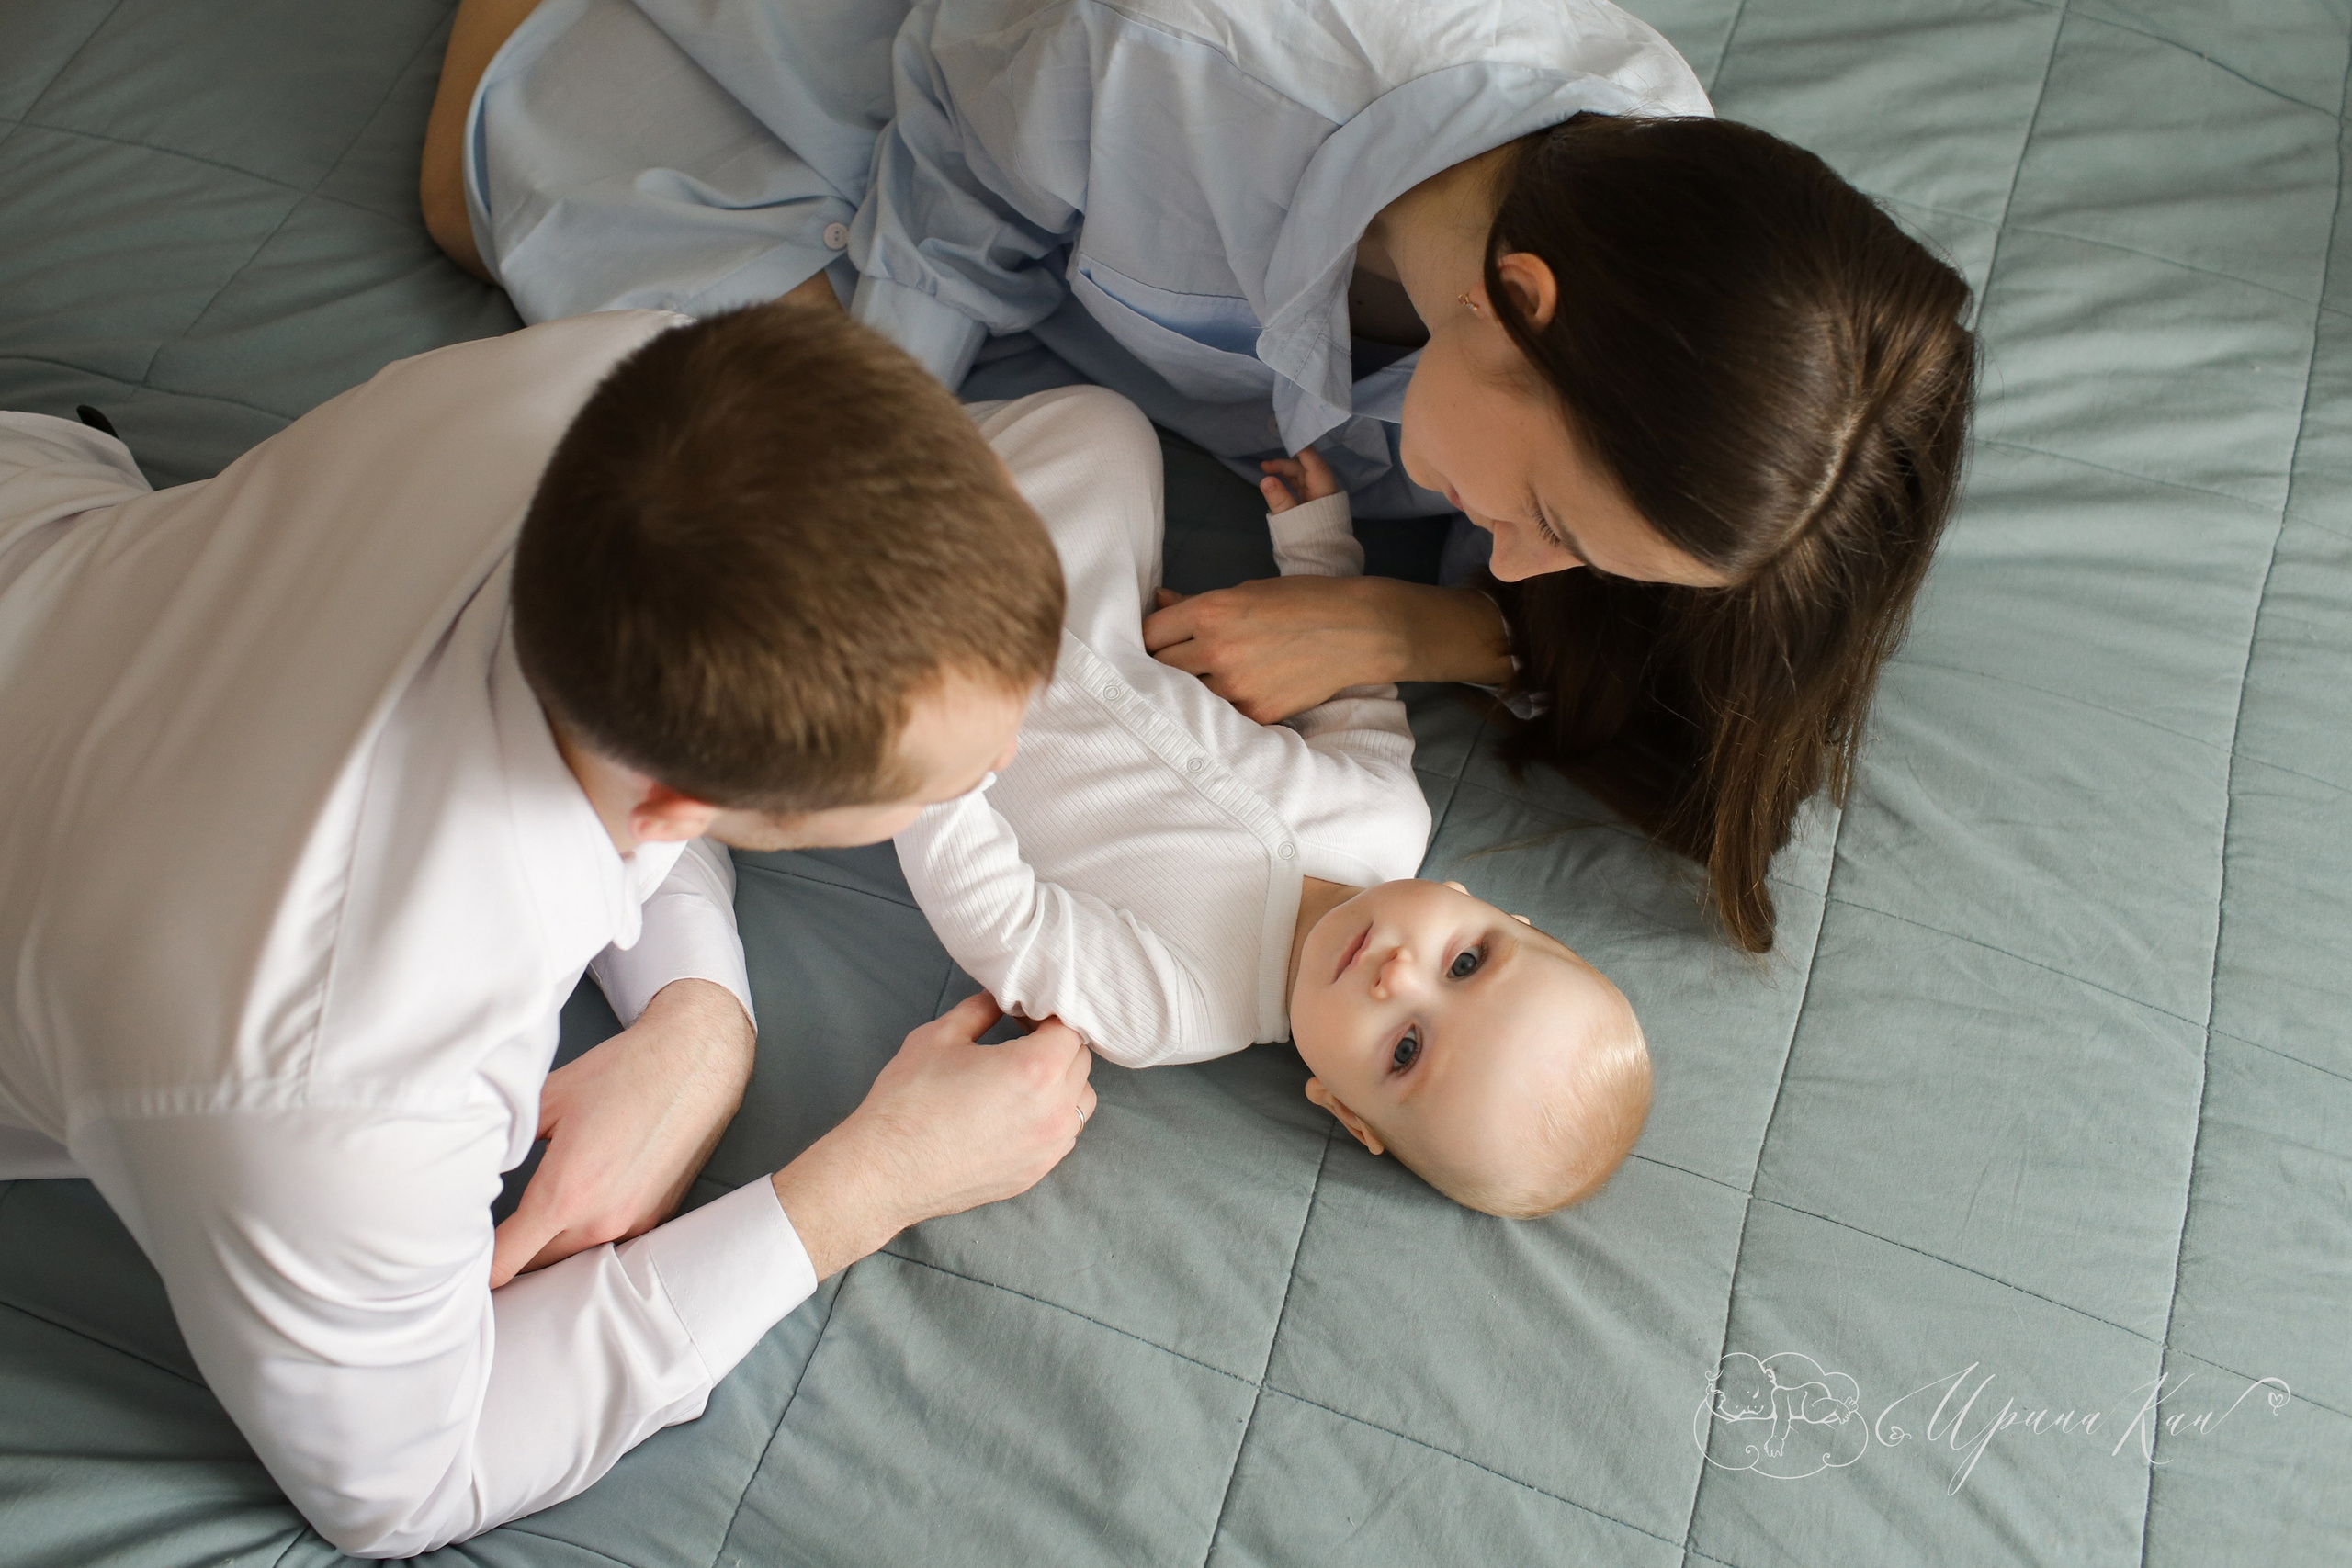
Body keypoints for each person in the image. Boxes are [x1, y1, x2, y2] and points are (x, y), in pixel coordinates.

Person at [421, 0, 1977, 955]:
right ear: (1523, 302)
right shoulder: (1179, 60)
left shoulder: (1701, 313)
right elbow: (952, 172)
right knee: (502, 198)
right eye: (1546, 523)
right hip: (965, 80)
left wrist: (1418, 630)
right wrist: (870, 458)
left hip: (1100, 237)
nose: (1512, 564)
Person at [0, 303, 1098, 1556]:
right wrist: (867, 1182)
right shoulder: (334, 1087)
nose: (1011, 754)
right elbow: (409, 1479)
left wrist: (698, 1012)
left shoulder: (658, 382)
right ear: (686, 809)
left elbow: (600, 731)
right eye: (948, 778)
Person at [899, 388, 1650, 1216]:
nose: (1397, 975)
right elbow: (1351, 692)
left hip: (925, 681)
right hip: (1078, 596)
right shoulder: (1387, 822)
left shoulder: (1176, 1008)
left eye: (1404, 1048)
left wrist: (936, 772)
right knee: (1108, 429)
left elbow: (1009, 926)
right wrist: (1321, 551)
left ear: (1344, 1108)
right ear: (1493, 911)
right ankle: (896, 434)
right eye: (1464, 962)